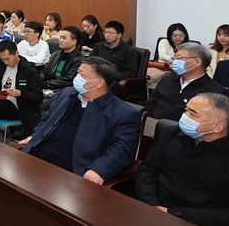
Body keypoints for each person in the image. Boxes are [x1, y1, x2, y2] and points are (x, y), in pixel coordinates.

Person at [135, 93, 229, 226]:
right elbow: (148, 170)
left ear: (217, 127)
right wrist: (152, 206)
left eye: (192, 114)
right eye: (186, 110)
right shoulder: (172, 135)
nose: (184, 116)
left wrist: (173, 214)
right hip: (152, 213)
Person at [20, 56, 140, 184]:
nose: (76, 77)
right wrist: (34, 136)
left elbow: (120, 150)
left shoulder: (123, 113)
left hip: (73, 169)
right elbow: (46, 118)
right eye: (77, 72)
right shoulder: (67, 93)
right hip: (37, 156)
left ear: (99, 83)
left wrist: (99, 170)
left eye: (82, 75)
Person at [146, 43, 229, 120]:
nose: (174, 62)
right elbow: (150, 105)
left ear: (197, 62)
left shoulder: (215, 92)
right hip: (154, 127)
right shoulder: (166, 80)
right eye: (174, 58)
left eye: (179, 58)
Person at [42, 27, 84, 92]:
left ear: (74, 41)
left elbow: (68, 80)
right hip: (48, 85)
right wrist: (37, 80)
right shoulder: (55, 54)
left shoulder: (79, 59)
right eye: (60, 37)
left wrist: (45, 84)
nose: (60, 40)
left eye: (64, 38)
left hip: (63, 89)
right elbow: (45, 71)